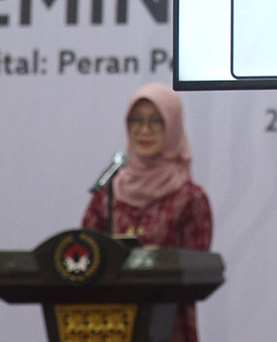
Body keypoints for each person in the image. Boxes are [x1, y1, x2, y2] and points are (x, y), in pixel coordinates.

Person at [82, 83, 212, 342]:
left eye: (156, 122)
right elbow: (85, 257)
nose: (144, 130)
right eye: (136, 121)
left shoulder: (190, 198)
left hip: (170, 327)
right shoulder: (107, 194)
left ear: (173, 127)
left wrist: (160, 262)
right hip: (109, 326)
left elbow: (199, 270)